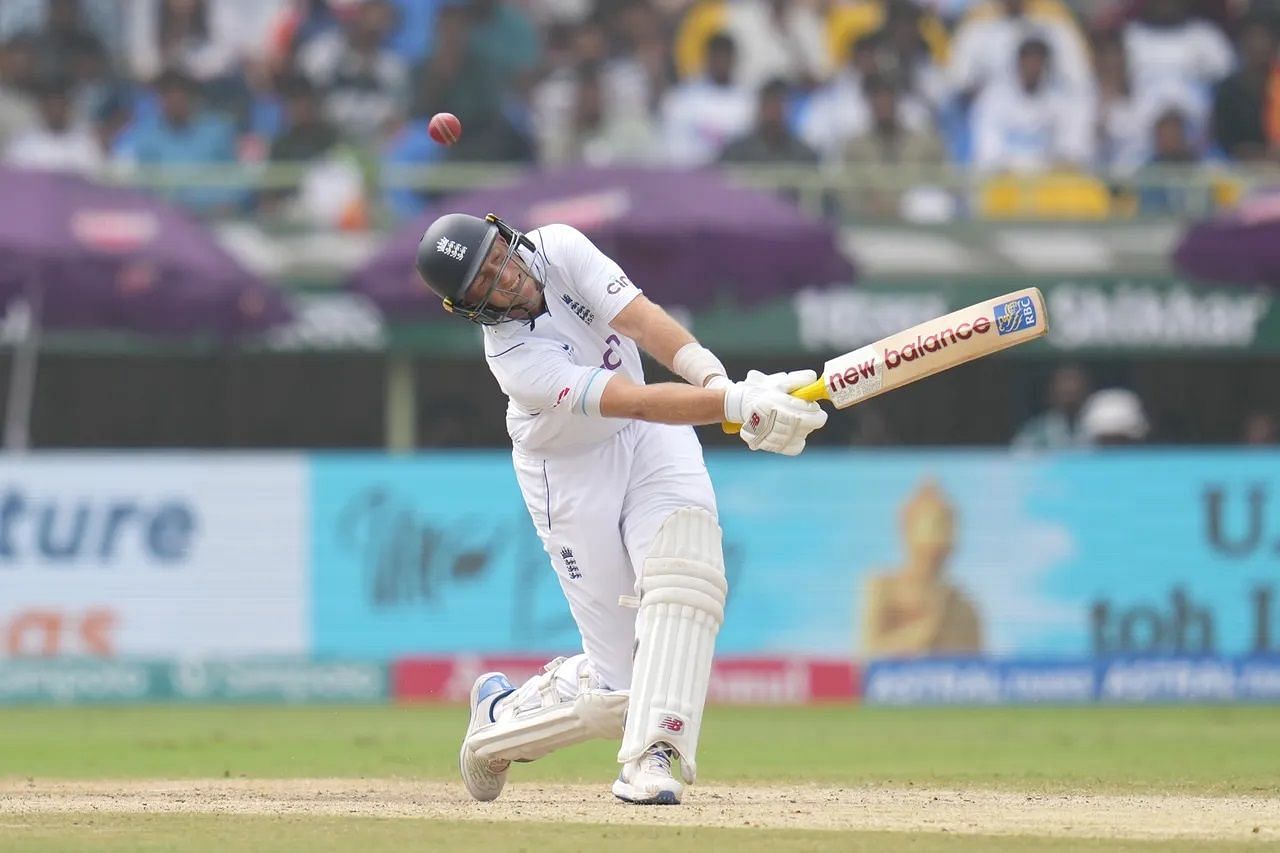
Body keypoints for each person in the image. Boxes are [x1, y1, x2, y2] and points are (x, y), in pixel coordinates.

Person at [413, 212, 827, 805]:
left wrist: (723, 382)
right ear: (470, 308)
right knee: (620, 691)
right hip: (573, 476)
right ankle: (497, 726)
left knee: (688, 572)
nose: (505, 280)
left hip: (650, 440)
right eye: (484, 284)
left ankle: (652, 758)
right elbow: (630, 399)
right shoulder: (515, 361)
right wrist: (732, 405)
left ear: (507, 237)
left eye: (500, 259)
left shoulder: (559, 246)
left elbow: (642, 321)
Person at [860, 479, 983, 659]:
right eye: (937, 523)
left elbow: (980, 671)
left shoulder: (964, 606)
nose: (945, 536)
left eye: (951, 525)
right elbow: (867, 656)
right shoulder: (883, 587)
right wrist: (929, 628)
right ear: (907, 528)